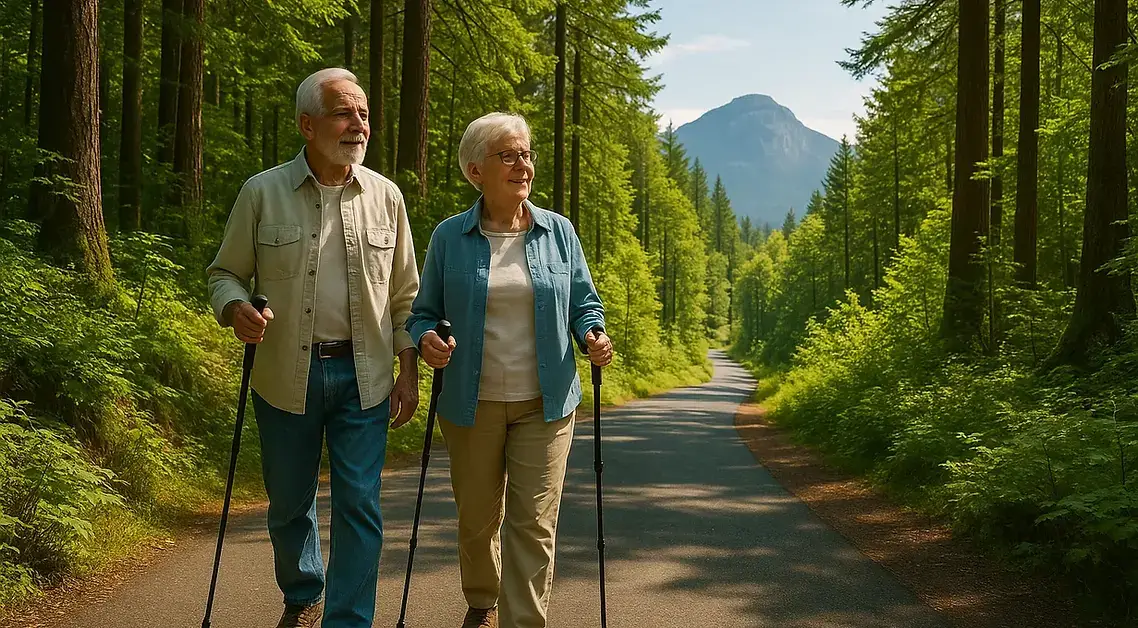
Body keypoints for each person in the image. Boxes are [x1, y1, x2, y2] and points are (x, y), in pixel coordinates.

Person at [206, 67, 420, 628]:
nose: (359, 125)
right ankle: (303, 590)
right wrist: (235, 309)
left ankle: (348, 619)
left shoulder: (387, 197)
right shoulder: (262, 192)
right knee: (287, 504)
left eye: (364, 113)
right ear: (307, 124)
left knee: (360, 507)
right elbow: (224, 273)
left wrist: (409, 370)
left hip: (365, 376)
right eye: (344, 112)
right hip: (284, 373)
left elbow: (405, 298)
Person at [406, 112, 614, 628]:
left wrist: (593, 333)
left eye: (527, 154)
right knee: (478, 521)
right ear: (476, 171)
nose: (523, 165)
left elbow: (585, 303)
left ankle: (524, 621)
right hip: (468, 404)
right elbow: (422, 314)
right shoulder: (450, 237)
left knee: (534, 524)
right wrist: (426, 340)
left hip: (545, 403)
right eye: (509, 155)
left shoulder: (558, 233)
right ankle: (481, 597)